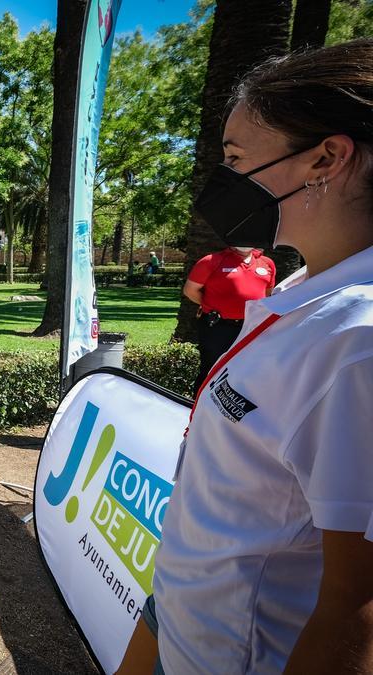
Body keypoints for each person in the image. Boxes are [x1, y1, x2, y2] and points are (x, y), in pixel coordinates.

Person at [116, 40, 373, 675]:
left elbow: (356, 607)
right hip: (184, 626)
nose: (223, 184)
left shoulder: (358, 342)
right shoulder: (301, 292)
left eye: (235, 160)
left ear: (326, 158)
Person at [183, 245, 276, 391]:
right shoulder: (211, 261)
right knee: (211, 370)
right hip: (218, 327)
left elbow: (267, 292)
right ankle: (197, 409)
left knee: (246, 372)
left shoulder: (267, 263)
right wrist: (211, 305)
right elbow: (190, 290)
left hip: (251, 328)